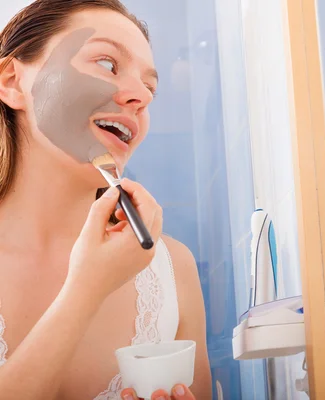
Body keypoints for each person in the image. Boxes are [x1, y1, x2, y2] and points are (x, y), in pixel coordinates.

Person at [0, 1, 211, 399]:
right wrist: (87, 290)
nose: (141, 98)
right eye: (108, 64)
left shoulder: (173, 270)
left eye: (150, 88)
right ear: (11, 81)